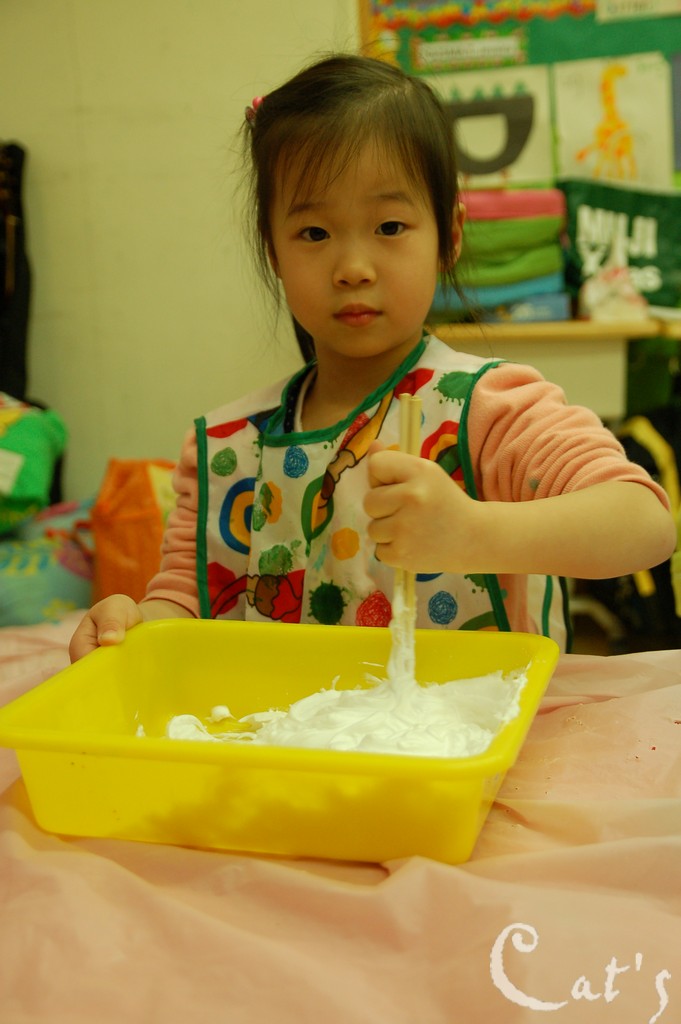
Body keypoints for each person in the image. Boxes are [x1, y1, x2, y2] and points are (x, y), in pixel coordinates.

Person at [70, 54, 675, 661]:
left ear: (449, 237)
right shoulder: (229, 449)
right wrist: (135, 623)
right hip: (290, 725)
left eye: (389, 227)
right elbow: (186, 603)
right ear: (273, 251)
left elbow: (645, 524)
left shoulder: (489, 410)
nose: (353, 269)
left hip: (476, 721)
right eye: (314, 233)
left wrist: (472, 532)